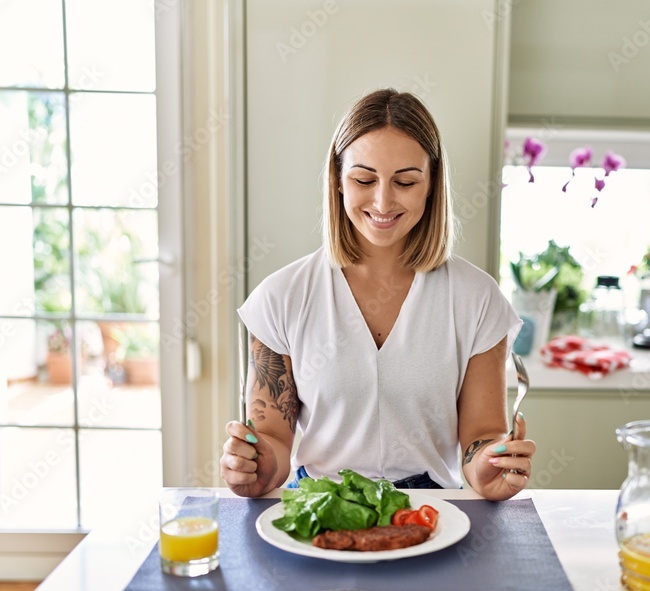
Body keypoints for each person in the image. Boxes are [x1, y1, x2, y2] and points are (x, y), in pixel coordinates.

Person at [220, 88, 535, 501]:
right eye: (364, 179)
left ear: (432, 185)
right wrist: (255, 468)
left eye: (405, 181)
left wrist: (492, 467)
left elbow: (480, 434)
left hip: (430, 508)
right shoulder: (280, 298)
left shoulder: (477, 298)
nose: (383, 201)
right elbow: (273, 439)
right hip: (319, 505)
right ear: (336, 180)